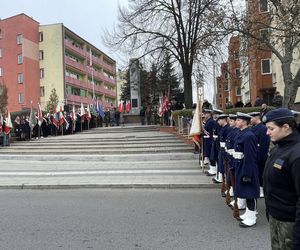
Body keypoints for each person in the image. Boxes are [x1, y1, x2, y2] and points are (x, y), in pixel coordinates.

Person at [262, 108, 300, 249]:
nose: (267, 132)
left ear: (285, 127)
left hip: (290, 223)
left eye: (271, 128)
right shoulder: (277, 149)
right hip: (275, 218)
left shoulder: (296, 154)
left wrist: (298, 238)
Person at [233, 112, 260, 227]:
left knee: (250, 193)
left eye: (238, 120)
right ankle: (248, 213)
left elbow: (250, 156)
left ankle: (252, 216)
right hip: (240, 164)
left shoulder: (249, 135)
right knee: (244, 190)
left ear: (244, 122)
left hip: (247, 166)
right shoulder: (241, 133)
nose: (236, 122)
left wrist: (247, 174)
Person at [249, 112, 270, 198]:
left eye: (251, 118)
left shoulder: (263, 128)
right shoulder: (254, 128)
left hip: (260, 156)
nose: (250, 120)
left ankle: (262, 190)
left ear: (256, 118)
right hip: (254, 155)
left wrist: (261, 157)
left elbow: (264, 145)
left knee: (260, 173)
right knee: (256, 174)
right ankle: (257, 188)